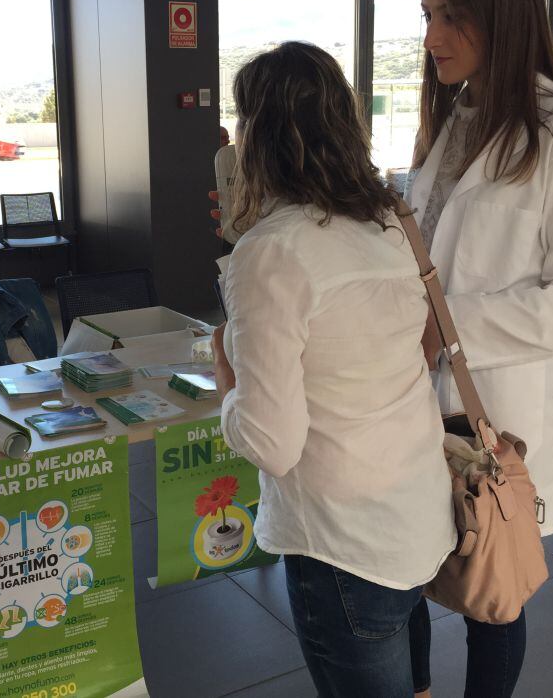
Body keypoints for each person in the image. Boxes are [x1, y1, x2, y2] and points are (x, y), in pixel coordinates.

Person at [405, 0, 553, 698]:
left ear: (503, 14)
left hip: (502, 406)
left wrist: (451, 323)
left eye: (451, 15)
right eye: (427, 14)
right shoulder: (450, 125)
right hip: (417, 393)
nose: (432, 36)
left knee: (492, 587)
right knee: (408, 557)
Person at [210, 41, 457, 697]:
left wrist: (225, 366)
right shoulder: (390, 220)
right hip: (417, 514)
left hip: (342, 543)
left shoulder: (269, 252)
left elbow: (272, 443)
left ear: (253, 136)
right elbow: (421, 348)